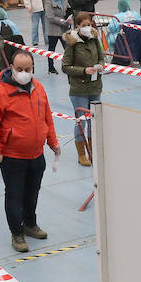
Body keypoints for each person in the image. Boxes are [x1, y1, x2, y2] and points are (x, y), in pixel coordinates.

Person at [0, 51, 60, 253]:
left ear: (33, 68)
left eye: (28, 69)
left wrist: (53, 142)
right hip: (12, 156)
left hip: (37, 154)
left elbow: (47, 118)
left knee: (32, 193)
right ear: (12, 68)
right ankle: (16, 232)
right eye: (20, 69)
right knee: (14, 195)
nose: (24, 73)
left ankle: (30, 224)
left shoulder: (39, 88)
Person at [61, 11, 103, 167]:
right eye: (84, 25)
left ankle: (92, 150)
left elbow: (101, 57)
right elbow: (65, 67)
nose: (88, 27)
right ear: (77, 26)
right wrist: (83, 71)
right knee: (82, 122)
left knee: (94, 121)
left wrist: (101, 66)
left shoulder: (94, 38)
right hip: (79, 89)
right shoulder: (72, 43)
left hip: (95, 86)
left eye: (89, 24)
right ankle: (81, 154)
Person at [43, 0, 70, 74]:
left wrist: (70, 18)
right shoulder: (48, 2)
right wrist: (63, 21)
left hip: (64, 29)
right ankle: (51, 67)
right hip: (53, 30)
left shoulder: (64, 0)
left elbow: (69, 10)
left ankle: (67, 66)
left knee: (67, 48)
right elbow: (50, 17)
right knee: (51, 50)